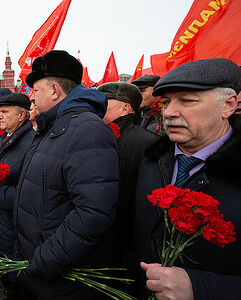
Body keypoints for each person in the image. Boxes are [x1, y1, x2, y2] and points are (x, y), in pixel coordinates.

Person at [131, 58, 241, 300]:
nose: (168, 112)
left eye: (187, 101)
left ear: (229, 105)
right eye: (166, 102)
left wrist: (201, 287)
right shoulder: (151, 160)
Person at [14, 50, 119, 299]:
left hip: (60, 275)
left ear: (54, 90)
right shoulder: (54, 126)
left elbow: (94, 212)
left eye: (35, 90)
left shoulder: (86, 129)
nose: (31, 97)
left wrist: (44, 260)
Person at [0, 93, 35, 298]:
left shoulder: (30, 143)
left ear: (22, 115)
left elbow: (28, 194)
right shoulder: (5, 137)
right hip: (0, 225)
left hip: (15, 229)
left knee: (18, 282)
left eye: (4, 112)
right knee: (9, 281)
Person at [97, 82, 159, 267]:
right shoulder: (95, 135)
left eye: (105, 103)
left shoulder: (151, 144)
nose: (97, 108)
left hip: (127, 241)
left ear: (126, 108)